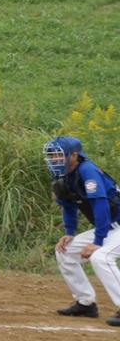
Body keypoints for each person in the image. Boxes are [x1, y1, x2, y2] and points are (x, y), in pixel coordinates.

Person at [43, 136, 120, 327]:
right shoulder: (64, 176)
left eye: (59, 156)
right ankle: (86, 303)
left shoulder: (88, 170)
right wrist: (70, 232)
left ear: (74, 155)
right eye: (52, 156)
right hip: (110, 227)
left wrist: (98, 241)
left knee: (100, 257)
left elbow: (100, 204)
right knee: (65, 251)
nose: (54, 160)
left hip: (115, 226)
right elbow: (68, 205)